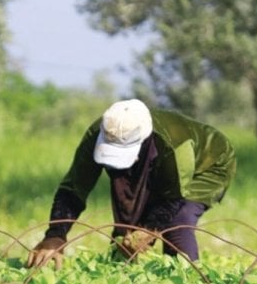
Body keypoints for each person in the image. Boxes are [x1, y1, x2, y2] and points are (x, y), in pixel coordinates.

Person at [27, 99, 236, 268]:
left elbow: (173, 198)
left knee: (176, 222)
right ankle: (120, 276)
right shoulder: (100, 133)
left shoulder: (176, 147)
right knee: (127, 228)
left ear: (144, 141)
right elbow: (74, 188)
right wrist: (56, 235)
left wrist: (149, 230)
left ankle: (189, 283)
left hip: (209, 164)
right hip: (163, 160)